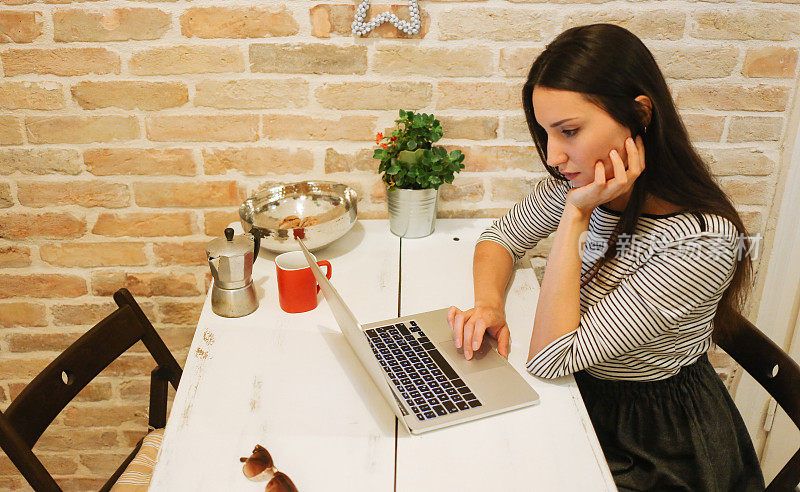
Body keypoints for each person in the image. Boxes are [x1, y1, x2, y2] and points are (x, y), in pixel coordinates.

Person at [447, 23, 765, 491]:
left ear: (639, 115)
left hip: (654, 442)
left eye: (570, 131)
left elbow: (551, 359)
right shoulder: (584, 185)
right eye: (546, 133)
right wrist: (490, 303)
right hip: (586, 396)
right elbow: (499, 238)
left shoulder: (701, 242)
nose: (554, 155)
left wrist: (576, 217)